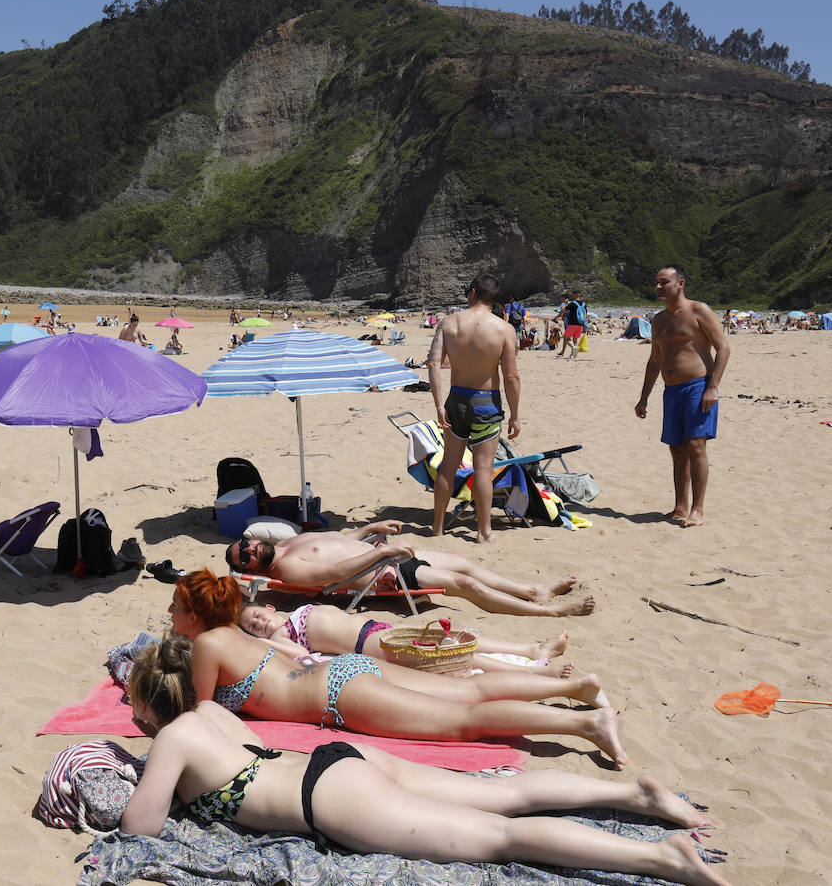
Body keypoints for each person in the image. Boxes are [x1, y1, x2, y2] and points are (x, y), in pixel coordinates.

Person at [119, 637, 729, 885]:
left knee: (500, 839)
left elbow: (139, 829)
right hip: (341, 759)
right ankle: (634, 798)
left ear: (150, 705)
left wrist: (147, 770)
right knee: (501, 795)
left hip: (329, 801)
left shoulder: (172, 741)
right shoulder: (216, 716)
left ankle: (661, 859)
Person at [169, 570, 625, 762]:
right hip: (341, 671)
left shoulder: (209, 644)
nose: (171, 616)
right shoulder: (234, 633)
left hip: (336, 695)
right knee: (469, 691)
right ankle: (576, 689)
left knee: (462, 722)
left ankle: (585, 726)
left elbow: (204, 714)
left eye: (175, 608)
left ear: (193, 613)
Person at [224, 521, 593, 617]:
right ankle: (549, 610)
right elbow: (333, 576)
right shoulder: (287, 567)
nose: (250, 549)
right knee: (461, 582)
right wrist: (380, 555)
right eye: (246, 557)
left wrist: (370, 531)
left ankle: (533, 591)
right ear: (252, 567)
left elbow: (339, 538)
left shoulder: (288, 543)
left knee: (465, 562)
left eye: (246, 544)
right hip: (384, 574)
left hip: (385, 555)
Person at [426, 275, 521, 544]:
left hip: (456, 399)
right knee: (482, 469)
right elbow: (512, 377)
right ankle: (483, 532)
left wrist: (437, 404)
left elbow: (433, 365)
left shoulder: (448, 323)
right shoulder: (504, 329)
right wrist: (515, 415)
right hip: (486, 402)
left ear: (472, 293)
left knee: (448, 466)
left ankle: (437, 528)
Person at [237, 601, 573, 677]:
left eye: (257, 615)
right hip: (362, 644)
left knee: (452, 637)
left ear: (268, 606)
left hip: (371, 627)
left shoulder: (293, 611)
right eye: (253, 627)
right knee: (447, 655)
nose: (259, 623)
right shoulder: (282, 634)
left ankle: (530, 649)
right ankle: (535, 672)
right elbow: (299, 655)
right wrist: (265, 641)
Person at [635, 266, 731, 528]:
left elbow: (723, 348)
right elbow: (654, 360)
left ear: (680, 284)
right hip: (672, 390)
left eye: (664, 282)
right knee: (676, 449)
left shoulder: (699, 310)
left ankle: (697, 510)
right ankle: (680, 506)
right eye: (656, 282)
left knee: (696, 446)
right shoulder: (658, 320)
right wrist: (644, 397)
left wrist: (713, 386)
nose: (658, 287)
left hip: (698, 386)